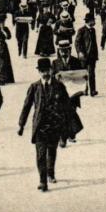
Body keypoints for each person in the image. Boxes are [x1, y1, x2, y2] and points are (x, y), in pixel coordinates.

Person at [18, 58, 72, 192]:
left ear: (51, 70)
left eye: (47, 71)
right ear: (39, 72)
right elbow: (26, 106)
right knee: (40, 154)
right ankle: (42, 181)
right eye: (42, 71)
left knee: (52, 151)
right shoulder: (34, 87)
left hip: (54, 126)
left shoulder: (59, 86)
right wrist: (21, 124)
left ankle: (50, 173)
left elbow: (67, 106)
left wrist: (68, 127)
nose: (45, 74)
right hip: (40, 127)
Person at [52, 40, 85, 145]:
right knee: (62, 115)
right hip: (61, 94)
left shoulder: (76, 61)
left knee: (71, 114)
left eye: (66, 50)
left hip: (73, 93)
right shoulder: (55, 63)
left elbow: (82, 74)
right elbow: (52, 77)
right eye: (61, 50)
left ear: (70, 50)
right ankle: (63, 138)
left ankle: (71, 134)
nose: (63, 53)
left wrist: (83, 82)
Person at [75, 12, 99, 96]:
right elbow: (77, 43)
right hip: (84, 56)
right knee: (84, 73)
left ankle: (93, 90)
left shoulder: (93, 30)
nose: (94, 22)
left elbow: (94, 43)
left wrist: (96, 55)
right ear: (89, 21)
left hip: (92, 56)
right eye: (93, 20)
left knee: (92, 73)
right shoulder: (81, 30)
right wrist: (80, 52)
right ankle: (84, 90)